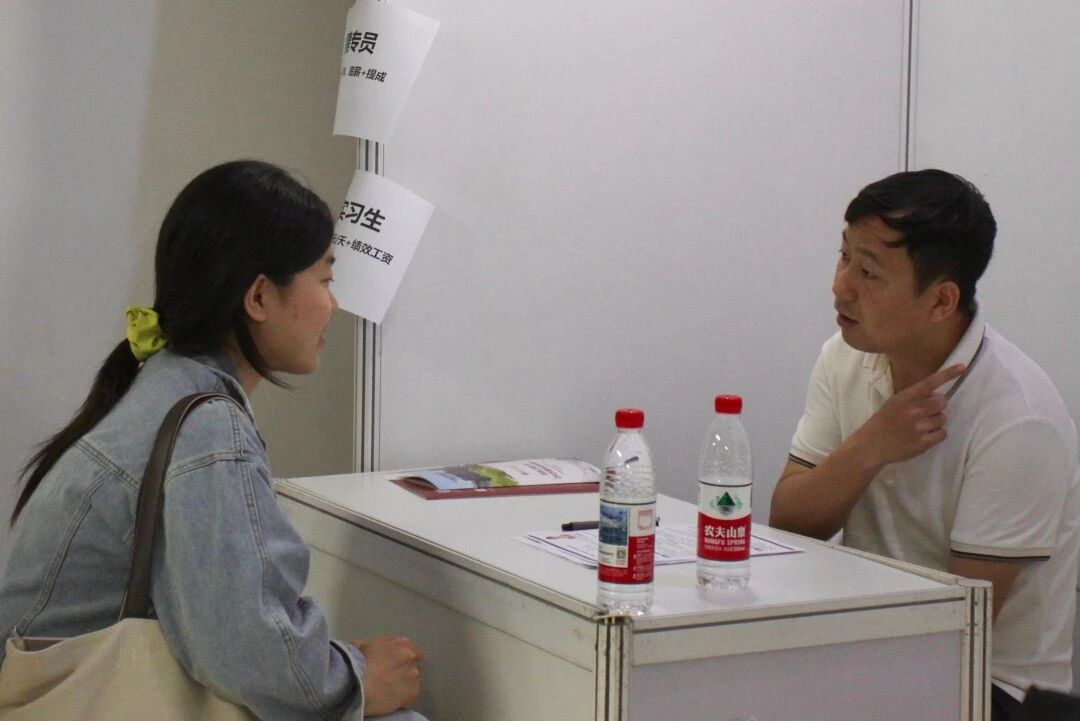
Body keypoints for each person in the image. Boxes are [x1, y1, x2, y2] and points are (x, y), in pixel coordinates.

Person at [0, 161, 427, 720]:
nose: (334, 304)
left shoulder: (165, 384)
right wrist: (358, 677)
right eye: (325, 280)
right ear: (259, 298)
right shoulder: (206, 426)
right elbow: (245, 653)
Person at [769, 169, 1080, 720]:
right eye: (844, 257)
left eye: (868, 272)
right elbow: (789, 523)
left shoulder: (1019, 417)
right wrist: (870, 446)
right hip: (873, 653)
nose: (841, 286)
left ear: (941, 301)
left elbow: (961, 625)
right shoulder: (845, 355)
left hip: (990, 687)